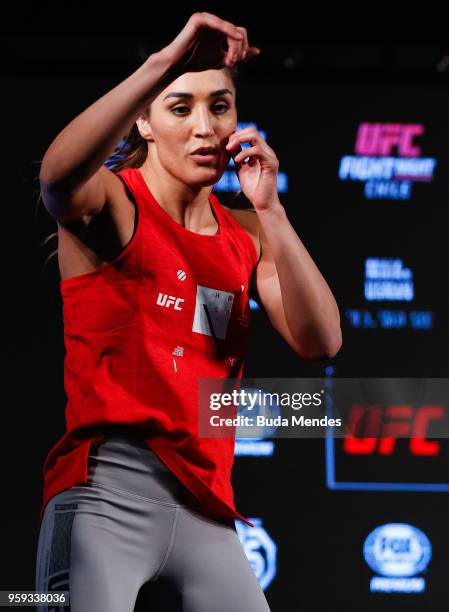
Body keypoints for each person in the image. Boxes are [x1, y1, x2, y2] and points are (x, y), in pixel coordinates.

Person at [35, 12, 342, 612]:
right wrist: (160, 65)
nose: (205, 127)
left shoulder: (247, 234)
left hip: (207, 505)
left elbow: (322, 341)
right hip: (105, 497)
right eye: (179, 107)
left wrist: (273, 212)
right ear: (143, 121)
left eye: (220, 106)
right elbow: (56, 180)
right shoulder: (115, 205)